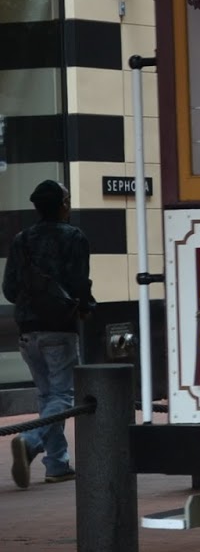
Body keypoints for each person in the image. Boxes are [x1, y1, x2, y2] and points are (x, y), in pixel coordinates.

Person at [2, 179, 94, 489]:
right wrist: (85, 307)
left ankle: (57, 464)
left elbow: (9, 289)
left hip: (27, 330)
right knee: (64, 396)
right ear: (63, 205)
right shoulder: (74, 237)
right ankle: (30, 440)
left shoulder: (21, 239)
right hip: (59, 327)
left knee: (47, 396)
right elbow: (79, 283)